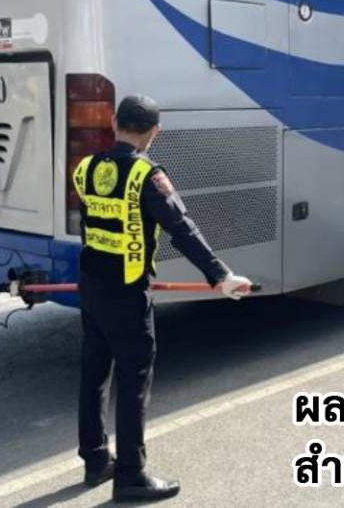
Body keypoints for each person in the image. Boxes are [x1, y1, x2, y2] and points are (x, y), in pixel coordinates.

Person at [73, 94, 253, 502]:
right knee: (133, 379)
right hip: (126, 292)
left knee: (94, 373)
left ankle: (95, 459)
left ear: (114, 122)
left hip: (92, 284)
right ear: (154, 132)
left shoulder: (86, 168)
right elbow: (181, 228)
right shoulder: (146, 176)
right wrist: (221, 276)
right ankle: (131, 475)